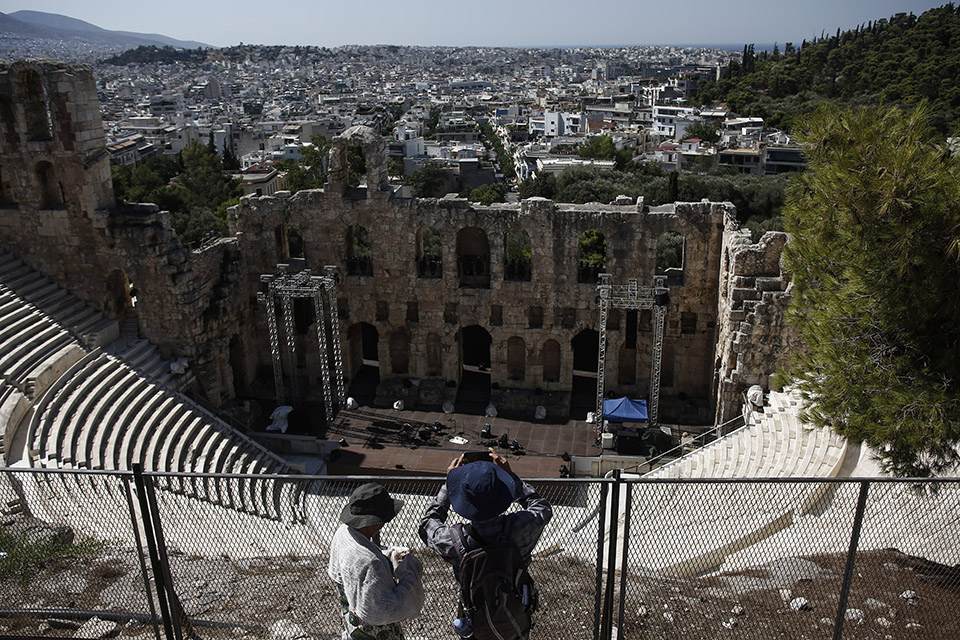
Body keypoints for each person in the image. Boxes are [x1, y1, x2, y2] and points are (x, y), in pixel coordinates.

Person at [418, 448, 552, 631]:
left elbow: (427, 525)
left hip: (476, 617)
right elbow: (542, 507)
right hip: (515, 610)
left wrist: (448, 485)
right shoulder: (520, 526)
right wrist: (511, 476)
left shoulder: (454, 540)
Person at [328, 483, 424, 640]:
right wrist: (410, 574)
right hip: (374, 633)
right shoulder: (372, 563)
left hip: (352, 623)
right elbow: (385, 610)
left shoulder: (343, 533)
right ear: (376, 521)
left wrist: (388, 557)